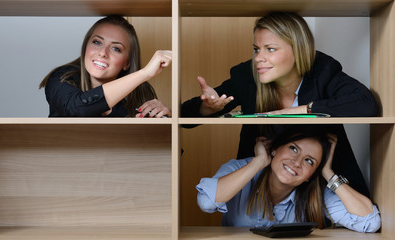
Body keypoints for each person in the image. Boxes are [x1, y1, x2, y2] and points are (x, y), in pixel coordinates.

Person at [181, 12, 378, 197]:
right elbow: (184, 118)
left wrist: (302, 110)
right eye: (256, 49)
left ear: (298, 50)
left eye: (271, 49)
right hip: (261, 190)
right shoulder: (248, 77)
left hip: (317, 189)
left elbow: (366, 104)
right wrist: (208, 108)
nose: (258, 58)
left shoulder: (322, 71)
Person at [196, 125, 381, 232]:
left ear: (311, 175)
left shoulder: (316, 193)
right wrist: (259, 161)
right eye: (293, 148)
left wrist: (327, 173)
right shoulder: (238, 168)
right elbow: (206, 202)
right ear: (274, 148)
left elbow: (370, 222)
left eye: (309, 161)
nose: (297, 162)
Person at [40, 15, 172, 118]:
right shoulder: (62, 77)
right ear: (86, 46)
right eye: (97, 42)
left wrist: (164, 118)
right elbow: (76, 109)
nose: (103, 53)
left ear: (127, 62)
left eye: (116, 48)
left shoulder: (139, 91)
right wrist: (145, 73)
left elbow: (163, 148)